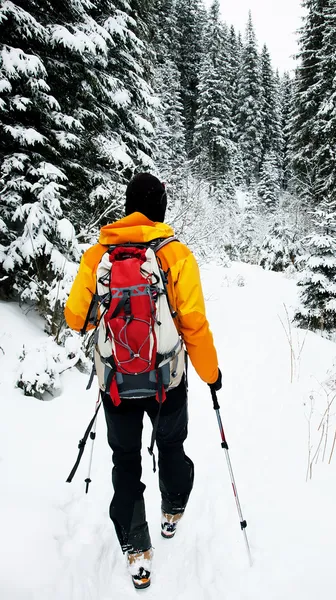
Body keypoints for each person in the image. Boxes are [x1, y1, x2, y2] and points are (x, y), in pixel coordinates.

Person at [65, 173, 222, 589]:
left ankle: (137, 551)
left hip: (116, 382)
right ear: (161, 208)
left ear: (128, 205)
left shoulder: (98, 254)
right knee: (171, 444)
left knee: (125, 460)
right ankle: (171, 512)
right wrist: (211, 374)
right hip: (167, 380)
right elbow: (194, 323)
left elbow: (74, 318)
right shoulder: (176, 255)